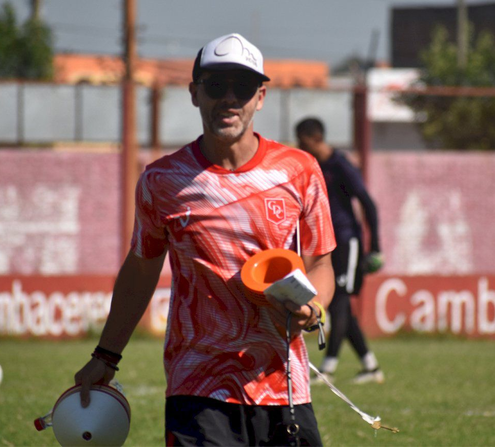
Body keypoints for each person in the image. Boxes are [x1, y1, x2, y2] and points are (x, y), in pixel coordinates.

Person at [73, 33, 336, 446]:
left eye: (243, 87)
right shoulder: (162, 181)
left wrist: (314, 305)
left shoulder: (300, 171)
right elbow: (141, 268)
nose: (229, 98)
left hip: (283, 387)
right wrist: (106, 355)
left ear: (260, 96)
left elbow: (320, 261)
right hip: (198, 388)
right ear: (195, 93)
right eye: (215, 85)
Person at [295, 117, 385, 385]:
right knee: (339, 304)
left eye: (302, 142)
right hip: (330, 243)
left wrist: (376, 246)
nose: (301, 147)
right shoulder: (316, 167)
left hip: (348, 241)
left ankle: (329, 368)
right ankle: (370, 366)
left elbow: (369, 204)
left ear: (313, 138)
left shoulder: (341, 165)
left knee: (340, 301)